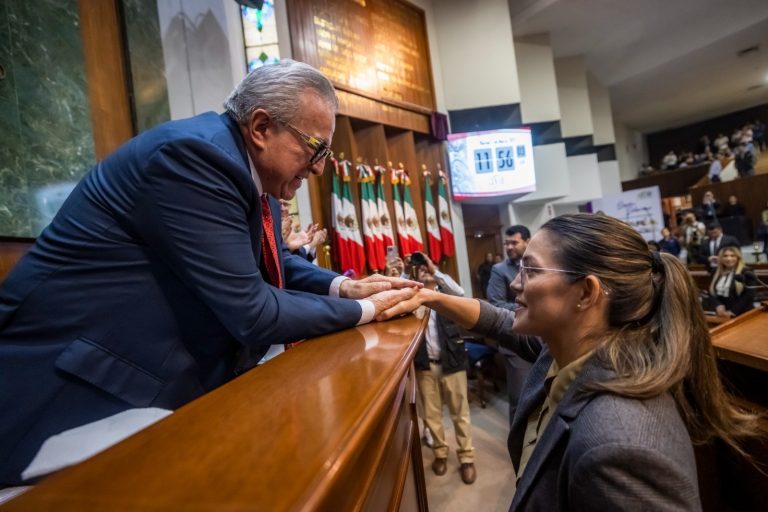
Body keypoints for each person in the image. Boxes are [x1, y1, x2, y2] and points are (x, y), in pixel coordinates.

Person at [0, 60, 420, 486]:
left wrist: (343, 286)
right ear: (261, 127)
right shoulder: (193, 159)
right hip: (75, 383)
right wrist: (368, 309)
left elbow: (267, 260)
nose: (318, 168)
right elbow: (252, 310)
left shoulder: (254, 173)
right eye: (317, 149)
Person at [378, 212, 758, 511]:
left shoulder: (620, 445)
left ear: (586, 293)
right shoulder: (565, 348)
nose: (515, 284)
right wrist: (430, 297)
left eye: (532, 270)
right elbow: (499, 320)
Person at [411, 252, 476, 485]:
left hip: (452, 362)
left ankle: (467, 457)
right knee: (431, 414)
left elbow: (461, 293)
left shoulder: (445, 295)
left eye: (425, 266)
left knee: (460, 411)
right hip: (425, 366)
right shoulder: (412, 299)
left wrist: (433, 269)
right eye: (419, 268)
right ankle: (440, 452)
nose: (424, 270)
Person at [486, 224, 533, 423]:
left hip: (545, 338)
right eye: (507, 243)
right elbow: (496, 305)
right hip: (516, 339)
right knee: (521, 399)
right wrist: (534, 306)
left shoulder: (538, 265)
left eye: (514, 242)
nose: (509, 247)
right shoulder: (499, 270)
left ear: (527, 242)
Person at [703, 246, 755, 319]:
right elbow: (710, 292)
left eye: (732, 256)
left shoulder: (746, 272)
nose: (729, 258)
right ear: (721, 259)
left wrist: (732, 311)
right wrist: (717, 305)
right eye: (725, 256)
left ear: (738, 258)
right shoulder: (715, 271)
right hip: (721, 315)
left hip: (742, 314)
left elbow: (749, 295)